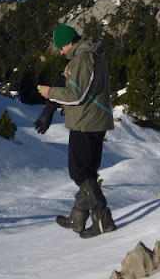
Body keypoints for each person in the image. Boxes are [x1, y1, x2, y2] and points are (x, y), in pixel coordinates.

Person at [36, 24, 117, 238]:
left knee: (79, 173)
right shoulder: (88, 57)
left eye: (61, 47)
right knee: (87, 173)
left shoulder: (83, 59)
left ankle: (103, 219)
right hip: (93, 120)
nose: (61, 52)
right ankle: (79, 215)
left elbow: (76, 95)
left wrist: (49, 93)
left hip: (86, 122)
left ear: (69, 42)